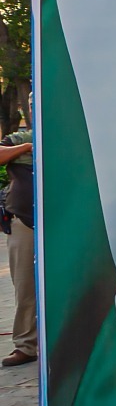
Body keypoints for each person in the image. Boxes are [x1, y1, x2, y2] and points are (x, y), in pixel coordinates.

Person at [0, 90, 36, 368]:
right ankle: (26, 344)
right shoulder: (20, 138)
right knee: (25, 286)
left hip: (60, 220)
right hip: (24, 221)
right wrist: (28, 148)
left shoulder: (69, 135)